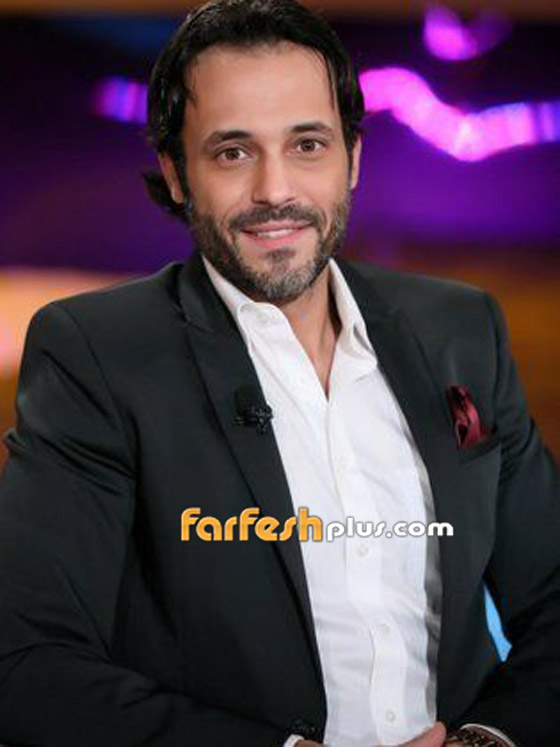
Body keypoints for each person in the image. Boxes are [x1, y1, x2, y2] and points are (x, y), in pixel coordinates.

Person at [0, 0, 558, 745]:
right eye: (233, 152)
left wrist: (485, 740)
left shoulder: (462, 328)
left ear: (352, 157)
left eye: (307, 145)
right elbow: (28, 663)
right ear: (175, 173)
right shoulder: (94, 353)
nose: (275, 191)